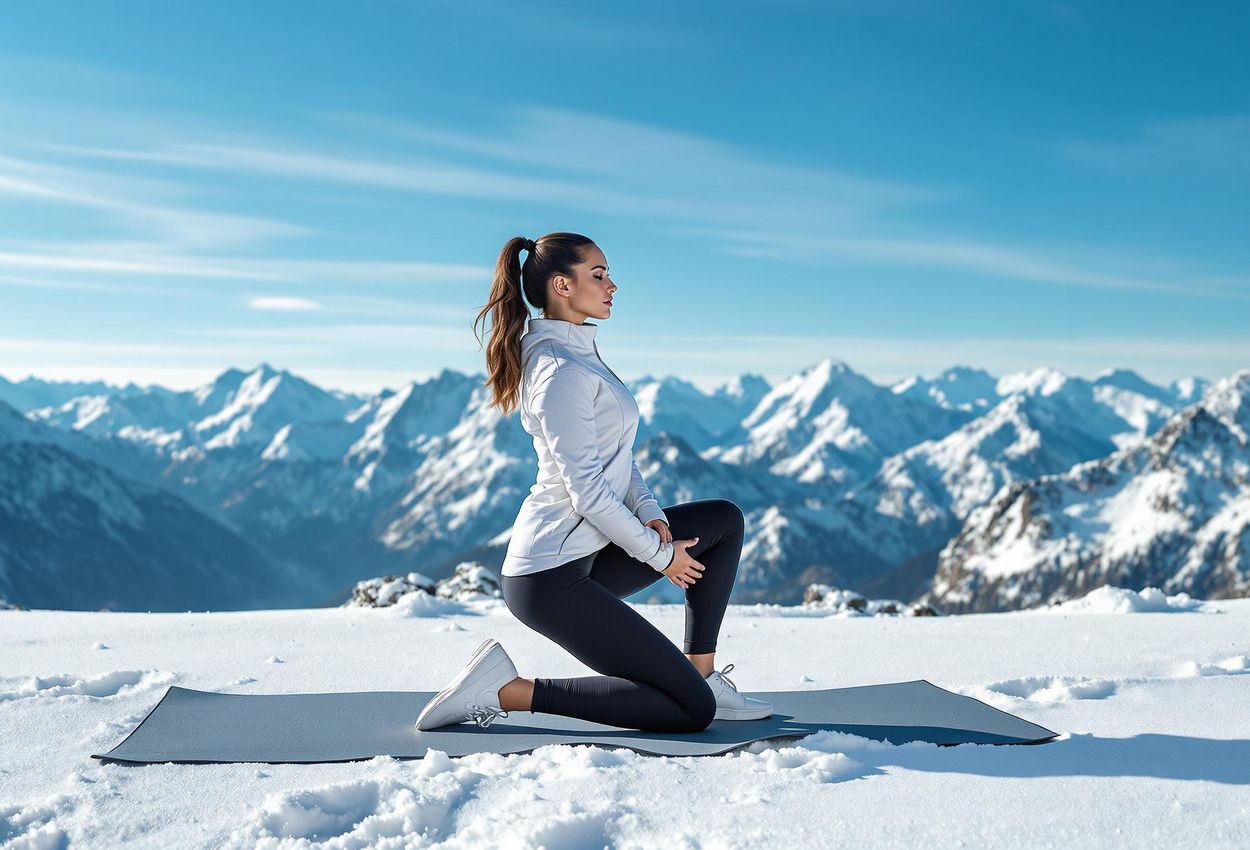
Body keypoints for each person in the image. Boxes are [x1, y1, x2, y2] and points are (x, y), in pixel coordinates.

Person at [416, 232, 772, 733]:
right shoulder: (559, 371)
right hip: (548, 581)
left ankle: (701, 673)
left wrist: (648, 510)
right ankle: (503, 691)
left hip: (586, 557)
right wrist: (660, 555)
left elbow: (617, 461)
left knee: (723, 521)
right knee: (691, 712)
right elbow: (587, 493)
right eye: (599, 275)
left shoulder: (579, 354)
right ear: (562, 286)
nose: (613, 286)